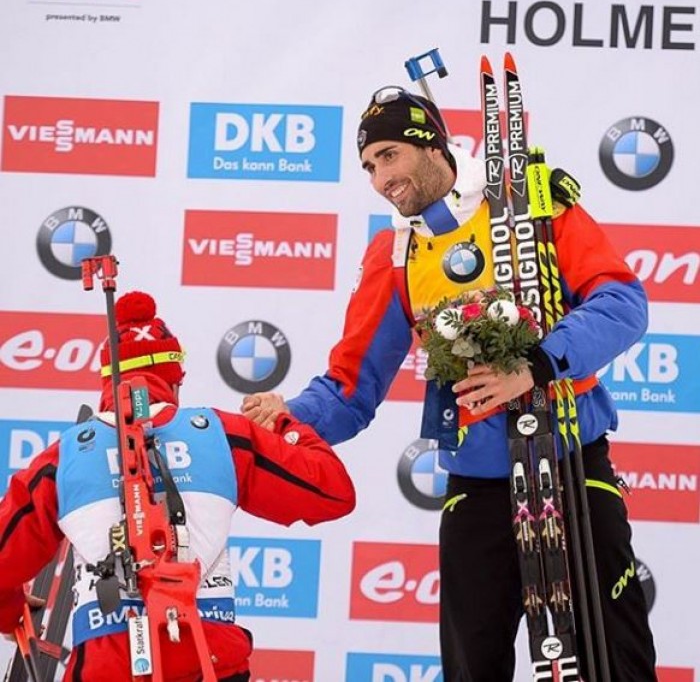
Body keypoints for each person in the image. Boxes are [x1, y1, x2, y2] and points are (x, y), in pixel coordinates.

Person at [241, 88, 657, 681]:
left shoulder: (531, 203)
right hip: (479, 483)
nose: (379, 178)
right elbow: (351, 386)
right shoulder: (395, 253)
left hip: (569, 462)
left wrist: (535, 365)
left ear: (430, 143)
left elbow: (622, 303)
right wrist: (287, 419)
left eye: (388, 156)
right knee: (471, 666)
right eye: (368, 166)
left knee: (617, 658)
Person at [0, 290, 355, 682]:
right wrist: (284, 422)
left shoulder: (62, 459)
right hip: (210, 659)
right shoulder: (224, 435)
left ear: (106, 379)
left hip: (108, 664)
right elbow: (333, 492)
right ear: (174, 379)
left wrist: (9, 608)